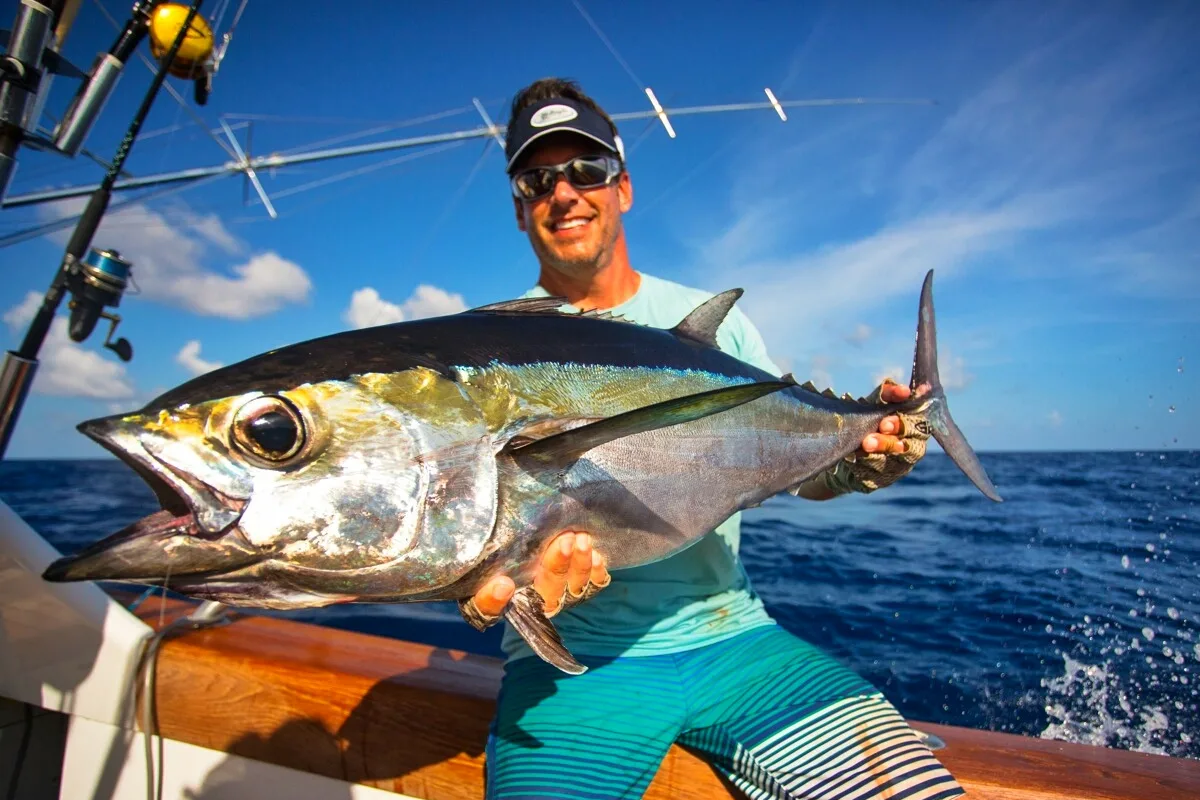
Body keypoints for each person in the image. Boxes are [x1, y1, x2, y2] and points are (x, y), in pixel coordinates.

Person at [461, 77, 962, 800]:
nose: (563, 193)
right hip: (571, 669)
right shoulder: (480, 348)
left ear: (623, 187)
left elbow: (795, 472)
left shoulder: (714, 327)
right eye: (537, 179)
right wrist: (474, 577)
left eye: (586, 170)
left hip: (737, 641)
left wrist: (858, 469)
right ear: (519, 208)